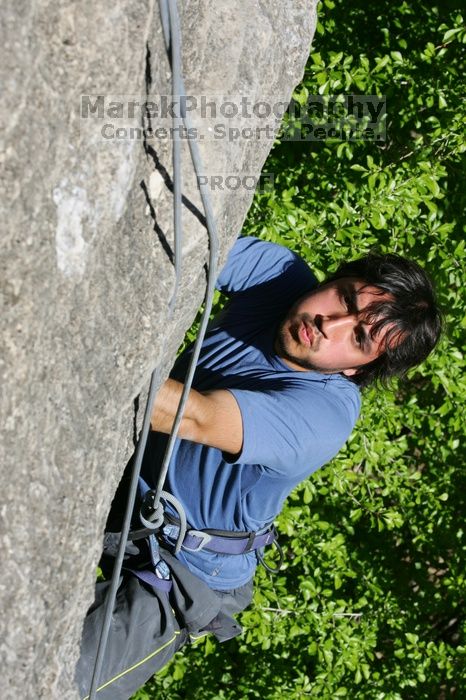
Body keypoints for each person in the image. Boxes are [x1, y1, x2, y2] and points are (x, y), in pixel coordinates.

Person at [76, 236, 441, 699]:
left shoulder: (324, 415)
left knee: (60, 682)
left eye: (359, 337)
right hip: (130, 486)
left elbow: (191, 414)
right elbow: (181, 241)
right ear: (335, 279)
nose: (329, 323)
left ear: (359, 368)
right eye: (346, 299)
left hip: (185, 569)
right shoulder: (281, 278)